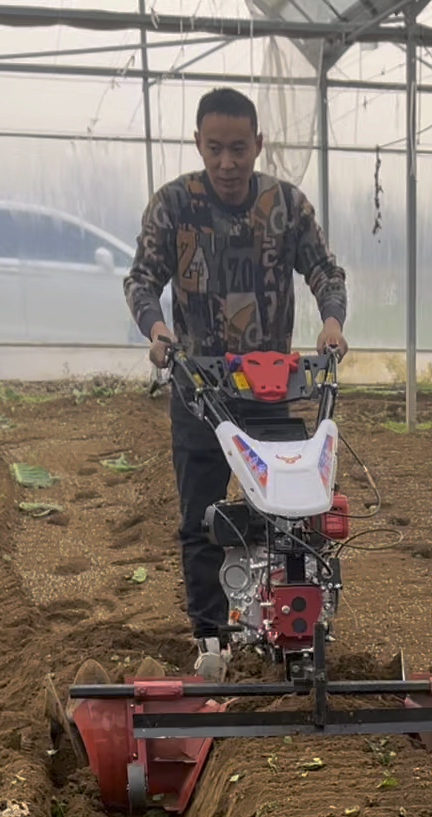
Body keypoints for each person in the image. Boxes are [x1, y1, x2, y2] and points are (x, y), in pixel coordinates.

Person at [124, 87, 348, 681]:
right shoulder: (172, 205)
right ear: (199, 143)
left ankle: (293, 633)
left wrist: (331, 320)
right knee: (201, 519)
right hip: (200, 389)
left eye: (239, 149)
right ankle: (211, 642)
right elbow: (142, 281)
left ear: (258, 145)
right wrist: (156, 333)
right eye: (216, 148)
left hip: (273, 389)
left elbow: (325, 269)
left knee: (292, 514)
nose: (227, 162)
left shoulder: (286, 206)